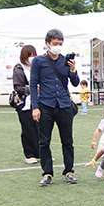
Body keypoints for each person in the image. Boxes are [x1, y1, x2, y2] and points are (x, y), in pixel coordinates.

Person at [30, 29, 80, 186]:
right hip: (46, 105)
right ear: (47, 44)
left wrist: (73, 70)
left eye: (60, 44)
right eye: (55, 44)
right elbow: (33, 84)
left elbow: (75, 82)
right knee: (44, 141)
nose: (58, 46)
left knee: (67, 140)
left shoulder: (66, 60)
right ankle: (47, 173)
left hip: (64, 104)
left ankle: (69, 171)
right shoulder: (38, 61)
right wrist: (35, 106)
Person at [12, 44, 39, 164]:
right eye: (30, 56)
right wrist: (31, 89)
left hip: (39, 102)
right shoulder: (19, 68)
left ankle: (41, 152)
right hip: (24, 103)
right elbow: (18, 87)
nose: (32, 58)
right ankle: (29, 154)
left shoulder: (37, 66)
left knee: (41, 129)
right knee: (28, 129)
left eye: (33, 55)